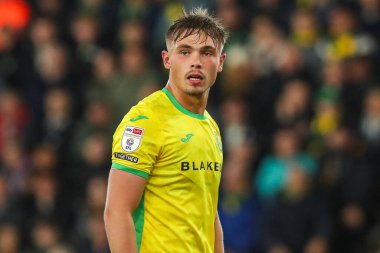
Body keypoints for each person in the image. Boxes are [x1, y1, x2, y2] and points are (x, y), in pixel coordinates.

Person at [103, 7, 228, 253]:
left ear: (220, 62)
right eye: (184, 52)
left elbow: (208, 209)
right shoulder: (145, 121)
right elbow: (116, 212)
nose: (196, 61)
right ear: (167, 60)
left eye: (207, 53)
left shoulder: (210, 125)